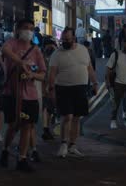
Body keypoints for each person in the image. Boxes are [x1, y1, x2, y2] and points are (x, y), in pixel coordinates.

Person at [0, 19, 46, 172]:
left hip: (30, 96)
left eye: (31, 29)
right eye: (25, 28)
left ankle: (22, 158)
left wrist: (32, 74)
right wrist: (21, 63)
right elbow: (5, 51)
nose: (29, 31)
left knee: (27, 126)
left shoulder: (36, 50)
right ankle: (5, 149)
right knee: (13, 125)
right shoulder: (11, 43)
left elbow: (43, 74)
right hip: (12, 94)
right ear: (18, 29)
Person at [48, 27, 98, 158]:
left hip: (80, 88)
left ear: (74, 38)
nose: (64, 42)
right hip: (63, 88)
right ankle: (64, 144)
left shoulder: (83, 51)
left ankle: (72, 145)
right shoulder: (57, 54)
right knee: (67, 116)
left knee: (76, 118)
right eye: (63, 39)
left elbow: (89, 68)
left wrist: (95, 83)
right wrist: (51, 88)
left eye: (67, 39)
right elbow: (52, 73)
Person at [106, 39, 126, 129]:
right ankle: (113, 120)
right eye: (125, 45)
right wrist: (108, 81)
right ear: (122, 45)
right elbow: (108, 69)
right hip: (118, 82)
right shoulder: (115, 55)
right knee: (116, 102)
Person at [41, 39, 57, 141]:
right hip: (47, 87)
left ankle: (47, 128)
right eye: (49, 46)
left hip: (54, 86)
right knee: (47, 108)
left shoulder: (55, 56)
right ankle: (46, 129)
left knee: (49, 109)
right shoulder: (42, 57)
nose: (50, 48)